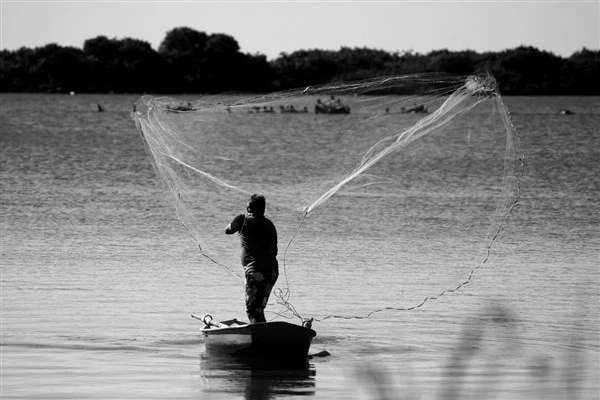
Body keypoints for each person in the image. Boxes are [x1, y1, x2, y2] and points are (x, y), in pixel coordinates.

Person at [225, 194, 279, 323]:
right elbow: (275, 250)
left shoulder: (242, 220)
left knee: (253, 309)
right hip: (271, 272)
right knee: (258, 308)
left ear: (249, 208)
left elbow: (227, 230)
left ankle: (261, 339)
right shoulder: (269, 224)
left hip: (255, 272)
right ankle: (266, 336)